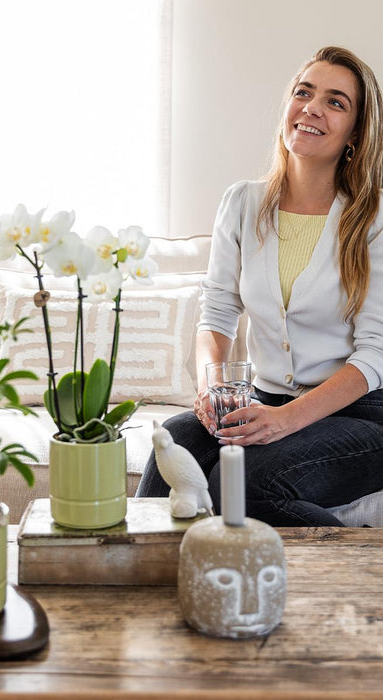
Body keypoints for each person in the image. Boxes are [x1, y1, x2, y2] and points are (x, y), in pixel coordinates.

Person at [136, 46, 383, 526]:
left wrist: (285, 421)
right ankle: (143, 581)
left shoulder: (372, 219)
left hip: (363, 416)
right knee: (177, 440)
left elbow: (375, 355)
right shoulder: (244, 203)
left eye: (336, 102)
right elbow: (218, 310)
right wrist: (214, 385)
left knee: (245, 483)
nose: (311, 107)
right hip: (263, 400)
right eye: (303, 92)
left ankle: (358, 581)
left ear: (354, 133)